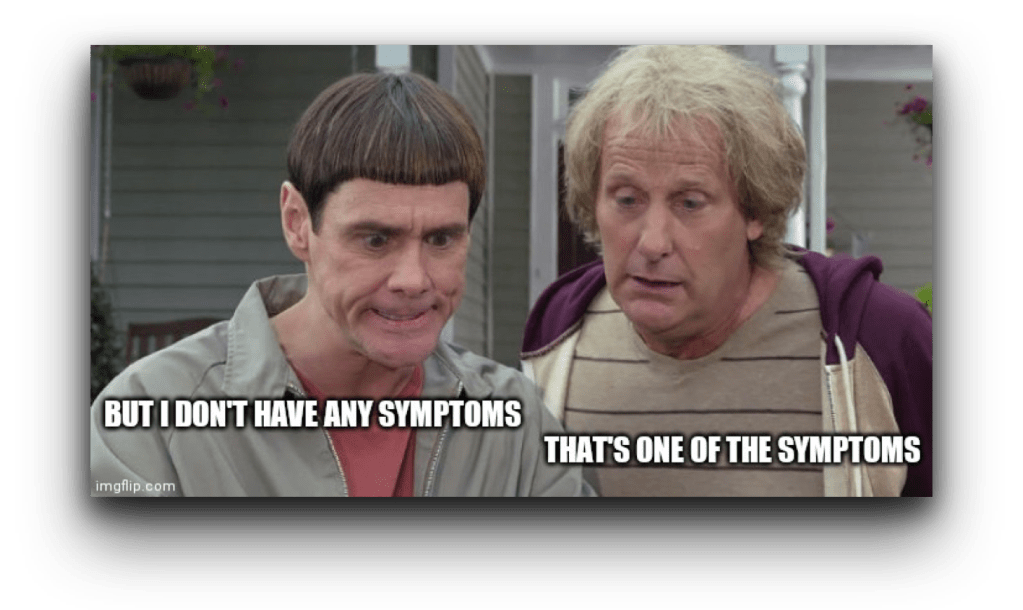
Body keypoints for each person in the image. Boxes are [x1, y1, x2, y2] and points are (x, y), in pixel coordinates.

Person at [91, 72, 593, 497]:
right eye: (375, 240)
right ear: (296, 222)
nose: (413, 280)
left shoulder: (516, 427)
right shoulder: (152, 418)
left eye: (441, 239)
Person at [521, 45, 932, 497]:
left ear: (753, 211)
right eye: (627, 199)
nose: (653, 242)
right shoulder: (558, 334)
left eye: (689, 202)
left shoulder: (879, 338)